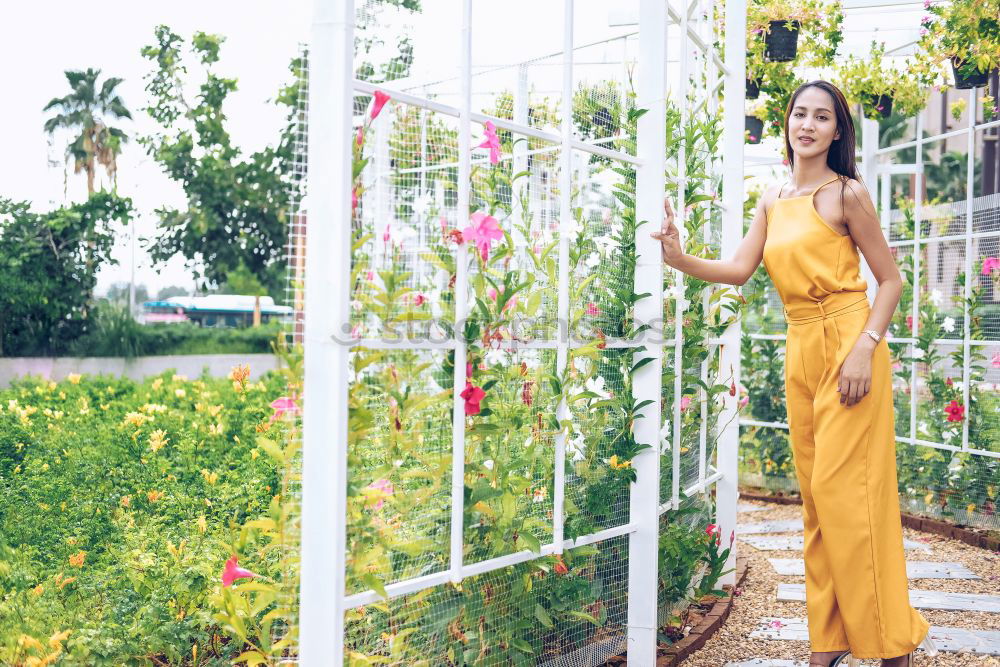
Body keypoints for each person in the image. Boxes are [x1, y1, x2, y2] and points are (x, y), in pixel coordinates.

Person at [650, 80, 940, 667]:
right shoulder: (772, 198)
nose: (807, 124)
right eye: (799, 113)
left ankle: (889, 642)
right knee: (815, 500)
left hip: (850, 342)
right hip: (801, 344)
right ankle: (828, 640)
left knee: (847, 497)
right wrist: (679, 257)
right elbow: (737, 270)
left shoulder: (847, 195)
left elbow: (891, 280)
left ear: (838, 131)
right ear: (787, 123)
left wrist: (865, 346)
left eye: (822, 116)